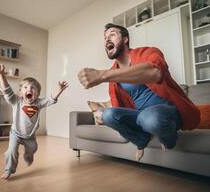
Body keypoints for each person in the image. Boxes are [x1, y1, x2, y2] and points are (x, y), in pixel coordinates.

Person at [78, 23, 200, 161]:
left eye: (112, 34)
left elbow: (155, 72)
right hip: (140, 116)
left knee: (150, 118)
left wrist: (102, 75)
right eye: (105, 37)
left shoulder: (149, 52)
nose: (107, 39)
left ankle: (169, 140)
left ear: (125, 39)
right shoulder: (114, 77)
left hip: (166, 112)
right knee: (108, 115)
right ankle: (141, 141)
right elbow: (119, 107)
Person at [0, 63, 68, 179]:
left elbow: (51, 100)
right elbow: (7, 91)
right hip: (16, 134)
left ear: (37, 94)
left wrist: (59, 90)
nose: (29, 89)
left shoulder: (38, 103)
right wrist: (1, 74)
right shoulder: (16, 101)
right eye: (26, 87)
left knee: (33, 149)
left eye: (33, 88)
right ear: (20, 92)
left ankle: (28, 156)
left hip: (30, 136)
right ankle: (9, 170)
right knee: (11, 152)